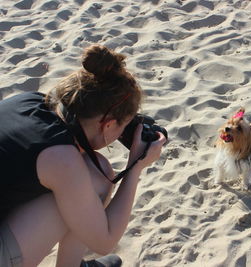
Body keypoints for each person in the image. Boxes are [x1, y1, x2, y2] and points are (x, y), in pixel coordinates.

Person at [0, 44, 167, 267]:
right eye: (123, 126)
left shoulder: (30, 101)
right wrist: (136, 167)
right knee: (92, 181)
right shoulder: (60, 158)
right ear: (107, 125)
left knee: (95, 172)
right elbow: (104, 241)